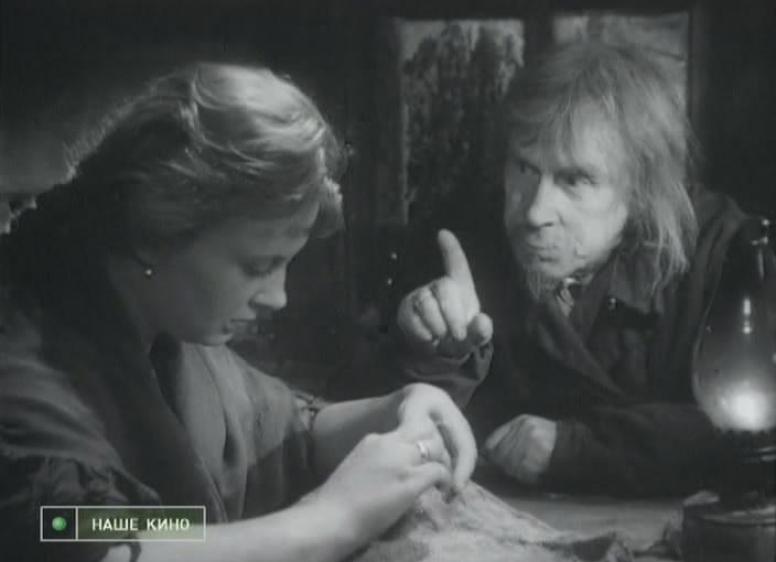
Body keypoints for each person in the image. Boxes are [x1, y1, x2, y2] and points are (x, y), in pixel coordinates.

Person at [0, 63, 477, 562]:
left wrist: (398, 404)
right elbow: (79, 533)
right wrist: (329, 520)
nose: (278, 297)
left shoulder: (160, 324)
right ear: (155, 231)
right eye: (257, 266)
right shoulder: (23, 362)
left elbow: (287, 434)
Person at [395, 40, 774, 497]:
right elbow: (373, 432)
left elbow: (758, 432)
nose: (535, 212)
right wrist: (434, 357)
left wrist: (579, 450)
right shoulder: (462, 246)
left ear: (642, 191)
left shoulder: (731, 253)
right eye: (525, 168)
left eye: (575, 179)